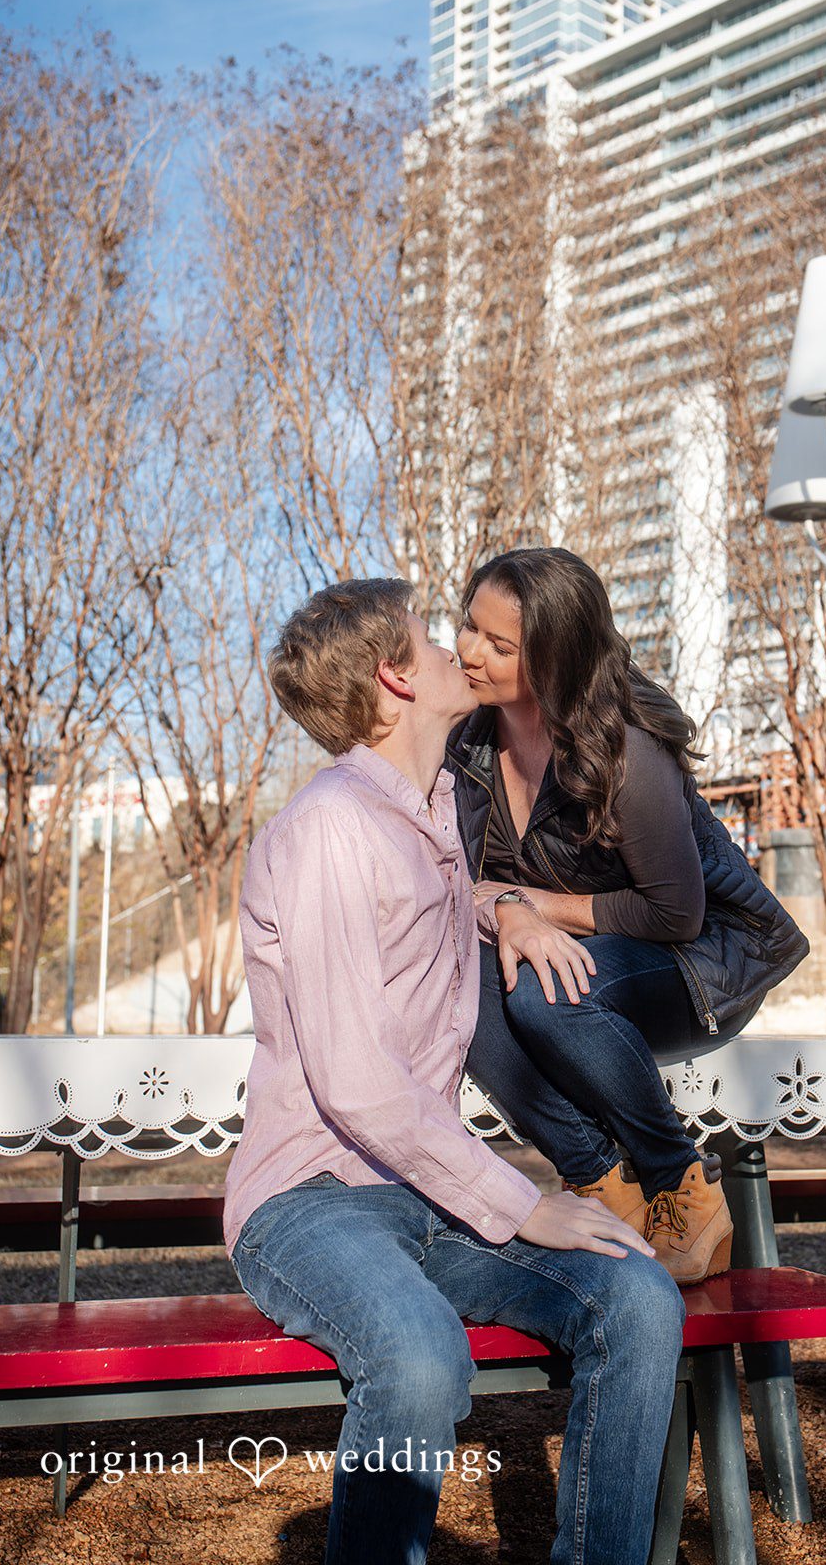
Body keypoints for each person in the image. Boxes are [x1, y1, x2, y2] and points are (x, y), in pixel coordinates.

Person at [223, 577, 686, 1565]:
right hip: (309, 1202)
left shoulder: (426, 807)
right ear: (395, 676)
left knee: (637, 1295)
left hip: (423, 1196)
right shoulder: (326, 831)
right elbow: (354, 1081)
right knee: (421, 1355)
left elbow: (431, 897)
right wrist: (519, 1202)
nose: (454, 652)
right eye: (433, 640)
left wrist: (506, 908)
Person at [448, 547, 810, 1286]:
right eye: (467, 627)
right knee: (456, 988)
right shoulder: (470, 745)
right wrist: (509, 912)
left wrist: (531, 904)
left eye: (498, 644)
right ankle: (602, 1184)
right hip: (584, 955)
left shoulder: (625, 751)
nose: (467, 652)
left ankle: (679, 1182)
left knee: (542, 990)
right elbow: (449, 878)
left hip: (700, 959)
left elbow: (675, 912)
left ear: (555, 658)